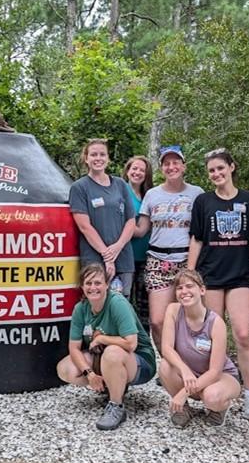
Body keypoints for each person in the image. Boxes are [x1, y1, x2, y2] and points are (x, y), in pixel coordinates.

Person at [187, 148, 249, 421]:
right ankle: (216, 390)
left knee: (242, 333)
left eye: (220, 168)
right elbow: (197, 239)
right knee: (213, 337)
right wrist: (190, 274)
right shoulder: (203, 201)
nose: (216, 174)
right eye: (211, 170)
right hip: (211, 276)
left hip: (240, 276)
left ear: (231, 167)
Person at [56, 263, 157, 430]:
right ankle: (111, 384)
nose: (93, 287)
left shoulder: (117, 303)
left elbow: (131, 343)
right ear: (82, 286)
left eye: (98, 283)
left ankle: (116, 406)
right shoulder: (81, 309)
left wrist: (102, 338)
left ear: (107, 284)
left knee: (112, 352)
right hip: (103, 358)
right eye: (88, 283)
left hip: (140, 362)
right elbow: (74, 348)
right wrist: (89, 374)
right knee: (66, 368)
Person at [133, 145, 203, 345]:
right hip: (158, 261)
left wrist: (192, 268)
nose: (171, 167)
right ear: (161, 168)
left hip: (187, 259)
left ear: (183, 166)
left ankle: (189, 359)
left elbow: (201, 233)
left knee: (189, 319)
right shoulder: (152, 194)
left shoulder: (197, 193)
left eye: (175, 162)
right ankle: (168, 361)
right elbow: (141, 229)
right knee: (157, 321)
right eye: (166, 164)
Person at [159, 269, 241, 428]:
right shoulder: (173, 310)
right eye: (180, 288)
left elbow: (215, 371)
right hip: (190, 372)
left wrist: (183, 393)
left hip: (219, 376)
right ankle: (183, 409)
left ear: (202, 290)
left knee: (212, 397)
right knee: (165, 366)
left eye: (190, 286)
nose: (184, 291)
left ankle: (218, 409)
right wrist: (184, 369)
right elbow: (166, 348)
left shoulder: (216, 323)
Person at [69, 139, 136, 297]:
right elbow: (84, 226)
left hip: (123, 258)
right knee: (96, 302)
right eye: (93, 155)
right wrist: (107, 256)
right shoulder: (79, 187)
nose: (98, 158)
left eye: (102, 154)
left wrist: (117, 247)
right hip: (94, 260)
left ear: (108, 158)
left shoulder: (120, 184)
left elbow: (131, 221)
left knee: (122, 304)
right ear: (86, 158)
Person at [123, 155, 153, 329]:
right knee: (123, 301)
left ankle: (144, 342)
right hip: (124, 257)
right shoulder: (120, 192)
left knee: (144, 305)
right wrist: (133, 228)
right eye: (134, 168)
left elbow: (143, 230)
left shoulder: (150, 195)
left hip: (146, 257)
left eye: (142, 170)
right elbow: (116, 224)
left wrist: (129, 227)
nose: (138, 172)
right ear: (127, 170)